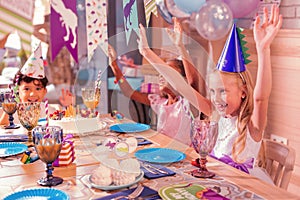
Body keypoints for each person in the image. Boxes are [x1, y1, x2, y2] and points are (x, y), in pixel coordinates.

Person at [138, 4, 282, 184]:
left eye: (223, 91)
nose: (216, 99)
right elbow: (181, 86)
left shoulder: (251, 126)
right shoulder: (216, 114)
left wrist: (264, 50)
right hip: (217, 183)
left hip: (243, 188)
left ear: (243, 92)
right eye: (213, 92)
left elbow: (261, 98)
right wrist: (148, 54)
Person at [108, 44, 193, 145]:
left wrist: (180, 47)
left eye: (167, 71)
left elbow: (191, 83)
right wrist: (114, 65)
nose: (162, 74)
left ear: (183, 79)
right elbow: (128, 92)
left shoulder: (187, 105)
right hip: (163, 153)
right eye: (161, 72)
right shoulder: (161, 103)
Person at [0, 43, 73, 126]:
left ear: (45, 91)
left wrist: (70, 105)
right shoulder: (12, 113)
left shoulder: (50, 111)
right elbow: (2, 127)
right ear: (17, 91)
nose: (32, 94)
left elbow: (68, 123)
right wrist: (9, 111)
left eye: (38, 89)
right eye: (27, 89)